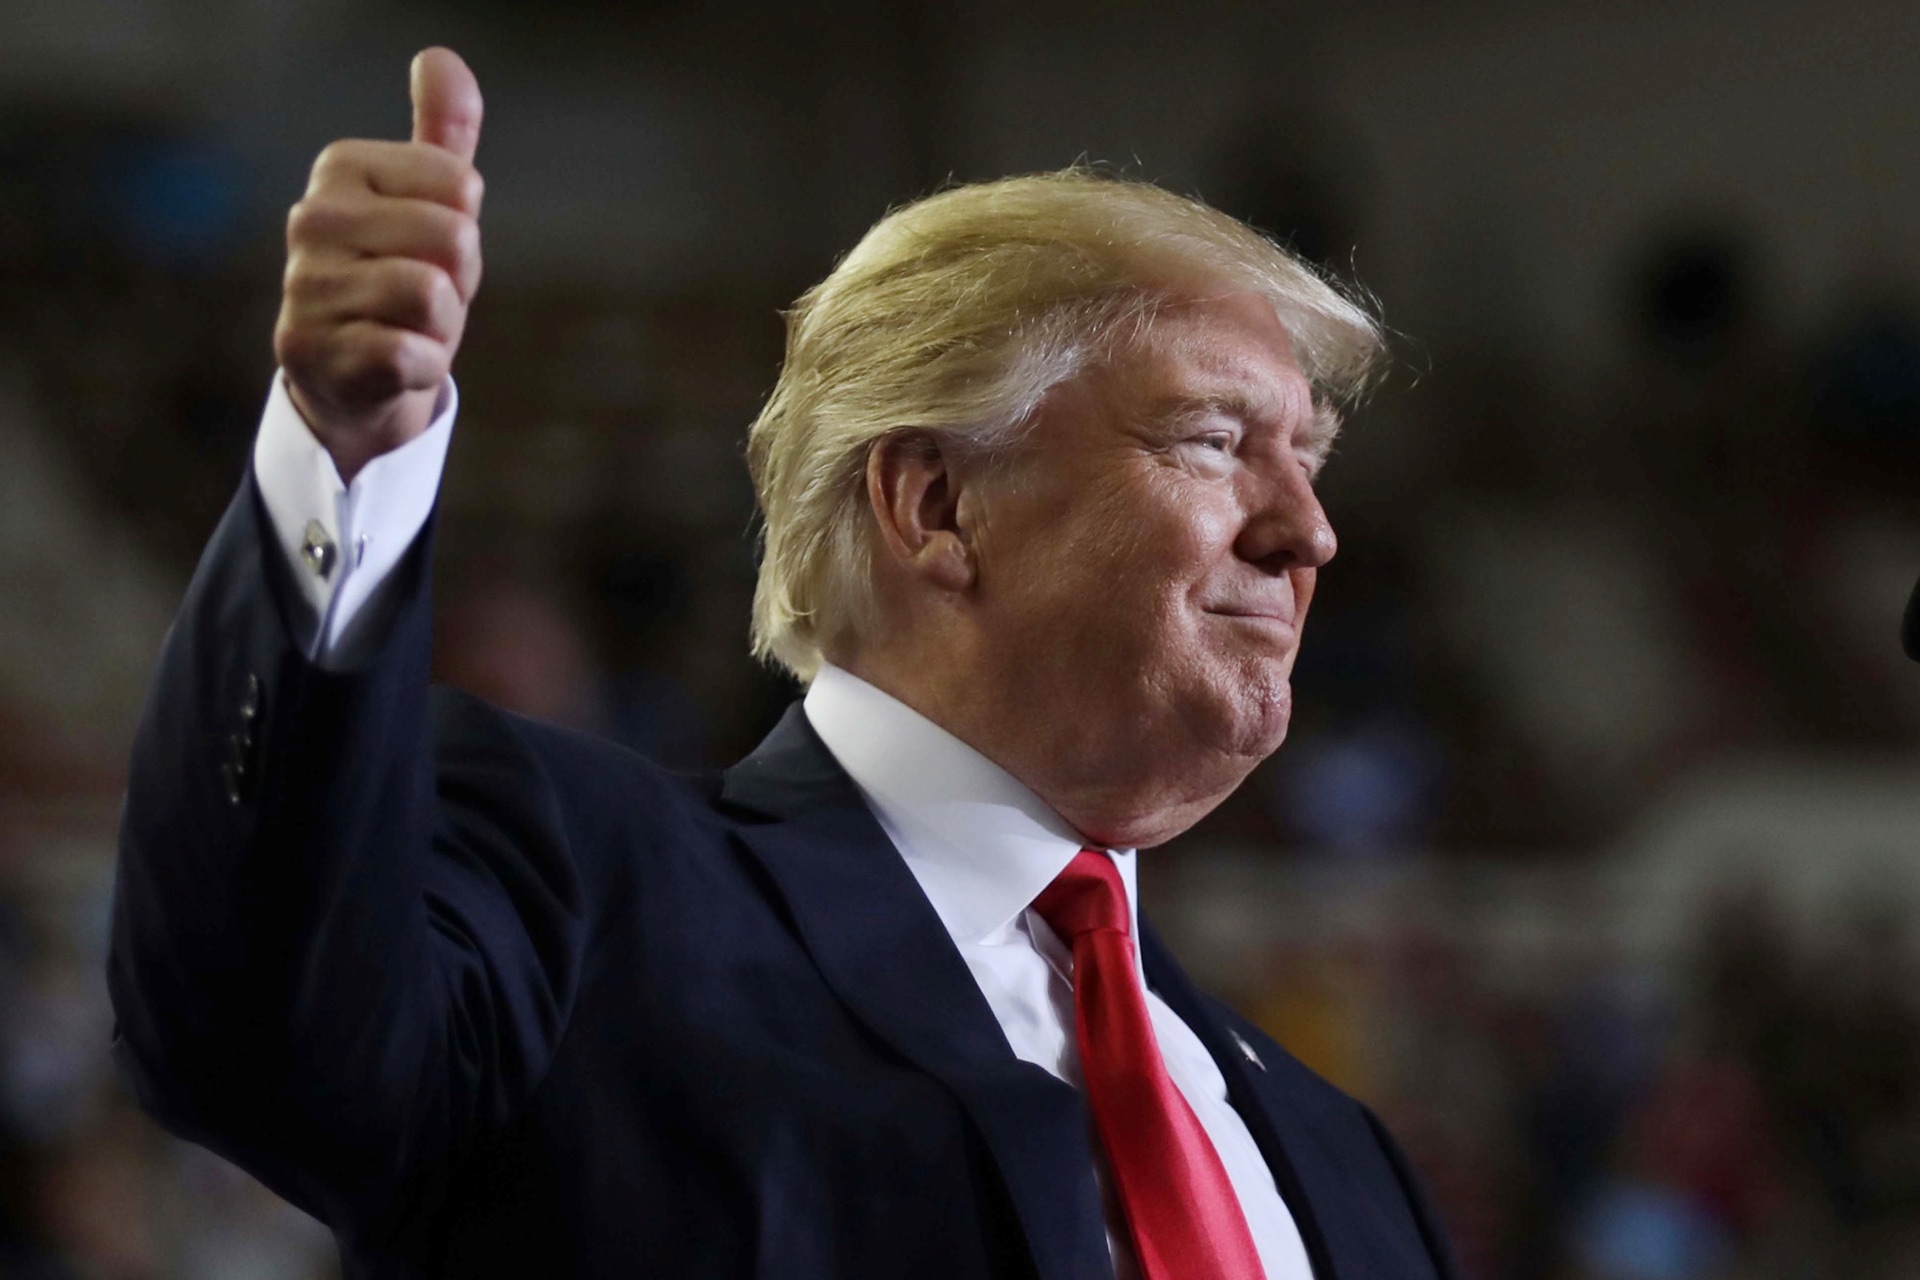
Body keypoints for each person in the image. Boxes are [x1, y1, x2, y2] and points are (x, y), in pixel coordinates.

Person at [108, 47, 1458, 1280]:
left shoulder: (1340, 1157)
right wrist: (344, 455)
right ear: (935, 507)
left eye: (1310, 459)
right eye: (1216, 440)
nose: (1308, 530)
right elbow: (251, 1032)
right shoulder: (579, 893)